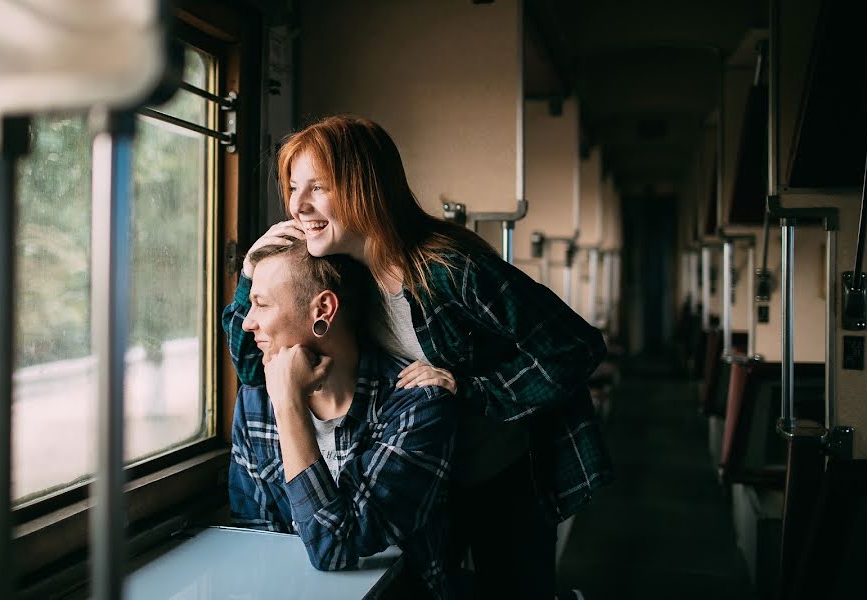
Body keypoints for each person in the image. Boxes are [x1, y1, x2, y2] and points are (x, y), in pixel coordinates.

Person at [223, 115, 613, 599]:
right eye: (293, 188)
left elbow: (576, 346)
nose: (297, 206)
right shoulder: (339, 268)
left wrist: (469, 387)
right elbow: (251, 366)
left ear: (363, 188)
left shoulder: (451, 269)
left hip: (500, 468)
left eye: (317, 188)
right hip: (426, 473)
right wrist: (248, 274)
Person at [225, 238, 456, 599]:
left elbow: (336, 547)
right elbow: (259, 540)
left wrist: (289, 406)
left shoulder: (417, 406)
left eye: (262, 305)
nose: (247, 323)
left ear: (324, 310)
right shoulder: (254, 403)